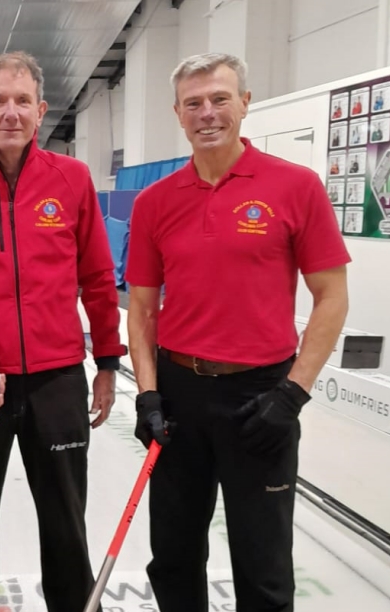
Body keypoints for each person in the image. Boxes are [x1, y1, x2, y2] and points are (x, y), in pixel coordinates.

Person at [126, 52, 350, 612]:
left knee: (263, 563)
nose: (207, 113)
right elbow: (143, 310)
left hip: (261, 396)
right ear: (178, 113)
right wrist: (148, 394)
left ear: (245, 104)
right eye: (193, 103)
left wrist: (292, 394)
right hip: (179, 394)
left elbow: (331, 296)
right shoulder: (155, 202)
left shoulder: (296, 186)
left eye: (220, 99)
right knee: (173, 556)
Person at [0, 51, 125, 612]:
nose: (9, 113)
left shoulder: (71, 179)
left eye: (21, 101)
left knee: (65, 520)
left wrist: (108, 362)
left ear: (40, 110)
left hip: (58, 380)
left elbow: (97, 278)